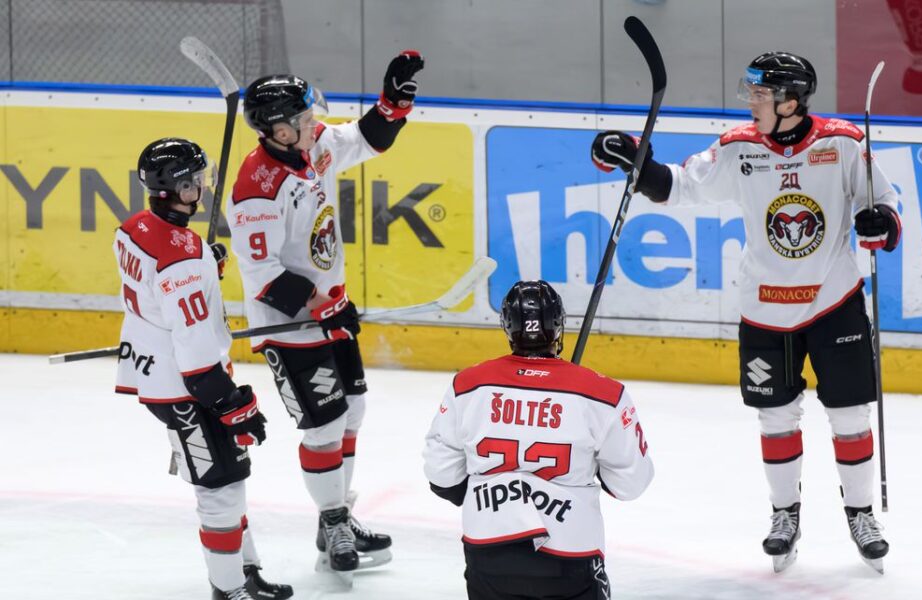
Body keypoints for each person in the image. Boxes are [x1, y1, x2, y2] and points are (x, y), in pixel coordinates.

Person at [591, 52, 900, 573]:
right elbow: (678, 185)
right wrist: (636, 163)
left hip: (834, 304)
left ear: (792, 102)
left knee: (849, 416)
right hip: (764, 309)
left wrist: (880, 223)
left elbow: (885, 204)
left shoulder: (843, 142)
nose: (750, 102)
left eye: (760, 94)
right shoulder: (739, 148)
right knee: (775, 417)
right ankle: (785, 515)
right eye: (752, 93)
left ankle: (861, 514)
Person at [226, 51, 424, 577]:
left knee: (353, 410)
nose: (316, 125)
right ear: (278, 131)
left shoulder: (312, 147)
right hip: (288, 323)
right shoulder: (254, 189)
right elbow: (264, 273)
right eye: (305, 120)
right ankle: (334, 518)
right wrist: (321, 305)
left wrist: (393, 103)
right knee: (326, 424)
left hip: (330, 310)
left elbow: (365, 138)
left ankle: (336, 514)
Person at [114, 138, 292, 599]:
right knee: (218, 489)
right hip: (187, 388)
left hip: (157, 370)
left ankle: (245, 573)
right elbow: (195, 354)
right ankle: (227, 590)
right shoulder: (183, 261)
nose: (202, 188)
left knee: (230, 478)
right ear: (174, 188)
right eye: (194, 182)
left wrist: (203, 265)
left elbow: (158, 282)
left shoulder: (133, 227)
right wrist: (233, 406)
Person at [423, 280, 654, 599]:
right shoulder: (603, 394)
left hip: (488, 553)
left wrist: (492, 495)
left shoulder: (469, 384)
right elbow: (631, 483)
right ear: (559, 326)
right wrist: (592, 467)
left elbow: (441, 475)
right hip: (570, 553)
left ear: (506, 327)